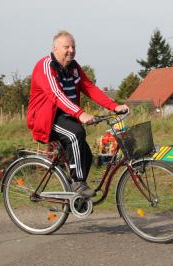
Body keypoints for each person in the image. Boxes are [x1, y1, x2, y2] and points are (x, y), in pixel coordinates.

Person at [27, 30, 129, 197]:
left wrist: (114, 106)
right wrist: (80, 113)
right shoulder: (45, 66)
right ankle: (78, 184)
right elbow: (56, 94)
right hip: (46, 118)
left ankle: (74, 194)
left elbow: (89, 88)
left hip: (65, 117)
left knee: (86, 155)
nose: (71, 50)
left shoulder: (73, 67)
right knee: (76, 134)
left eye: (73, 46)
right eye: (66, 46)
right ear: (55, 48)